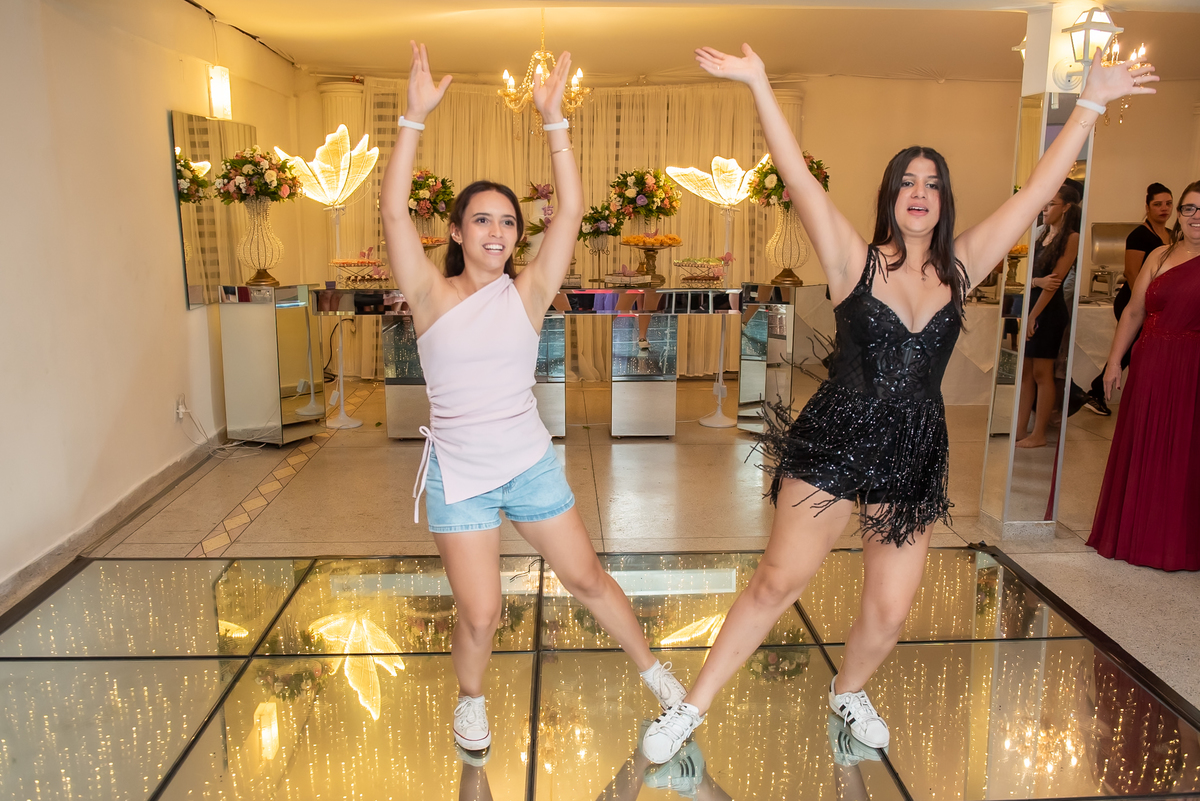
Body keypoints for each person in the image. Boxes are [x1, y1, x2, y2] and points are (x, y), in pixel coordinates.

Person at [640, 43, 1156, 762]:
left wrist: (1091, 102)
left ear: (944, 201)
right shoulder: (853, 258)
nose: (920, 192)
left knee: (888, 611)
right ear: (890, 196)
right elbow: (796, 176)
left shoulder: (962, 266)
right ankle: (690, 708)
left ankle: (848, 689)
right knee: (777, 581)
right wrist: (758, 81)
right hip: (838, 433)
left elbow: (1038, 191)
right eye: (907, 181)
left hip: (914, 444)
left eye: (933, 183)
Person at [380, 42, 684, 754]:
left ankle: (660, 677)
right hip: (459, 474)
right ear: (457, 231)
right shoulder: (429, 294)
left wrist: (555, 120)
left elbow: (571, 209)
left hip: (527, 463)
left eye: (508, 222)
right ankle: (471, 701)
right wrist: (413, 118)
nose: (497, 232)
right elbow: (392, 212)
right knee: (482, 614)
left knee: (587, 577)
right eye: (482, 220)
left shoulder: (528, 293)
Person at [1087, 182, 1200, 571]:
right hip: (1150, 362)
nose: (1196, 216)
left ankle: (1175, 542)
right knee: (1143, 442)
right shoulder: (1158, 254)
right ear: (1179, 214)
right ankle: (1134, 533)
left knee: (1184, 449)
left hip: (1192, 366)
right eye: (1189, 208)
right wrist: (1114, 361)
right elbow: (1135, 311)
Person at [1082, 182, 1174, 415]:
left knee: (1135, 350)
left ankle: (1101, 393)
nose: (1164, 208)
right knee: (1132, 349)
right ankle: (1100, 393)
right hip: (1135, 301)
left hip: (1158, 304)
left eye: (1168, 204)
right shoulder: (1139, 235)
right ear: (1147, 207)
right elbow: (1132, 273)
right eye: (1158, 204)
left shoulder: (1172, 235)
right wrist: (1144, 305)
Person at [1014, 184, 1081, 448]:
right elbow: (1033, 277)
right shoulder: (1041, 234)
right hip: (1033, 304)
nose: (1045, 208)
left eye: (1051, 204)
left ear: (1065, 207)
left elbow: (1054, 283)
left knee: (1043, 373)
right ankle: (1020, 429)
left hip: (1049, 311)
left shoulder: (1071, 238)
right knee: (1025, 372)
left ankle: (1039, 433)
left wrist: (1033, 315)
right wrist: (1035, 283)